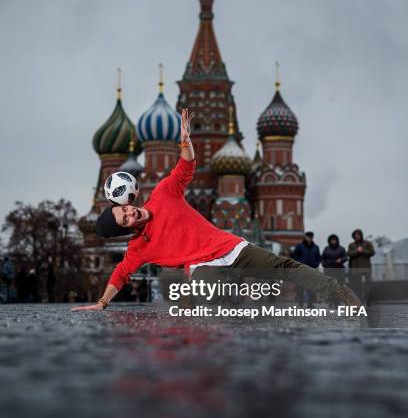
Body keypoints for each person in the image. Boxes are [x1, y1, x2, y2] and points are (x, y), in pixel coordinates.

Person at [72, 109, 360, 312]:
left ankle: (339, 292)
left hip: (229, 247)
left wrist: (185, 141)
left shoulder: (162, 194)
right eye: (124, 220)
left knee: (284, 267)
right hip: (202, 267)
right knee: (210, 300)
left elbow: (186, 168)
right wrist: (102, 302)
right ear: (125, 228)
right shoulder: (138, 247)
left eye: (126, 210)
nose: (130, 214)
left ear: (128, 202)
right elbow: (120, 274)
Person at [292, 232, 321, 307]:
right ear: (305, 237)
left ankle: (310, 303)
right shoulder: (300, 246)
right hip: (301, 269)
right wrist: (299, 263)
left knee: (311, 287)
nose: (310, 238)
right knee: (300, 287)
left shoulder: (315, 247)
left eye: (311, 237)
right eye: (308, 237)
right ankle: (301, 302)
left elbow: (318, 257)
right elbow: (294, 256)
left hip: (312, 269)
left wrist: (316, 264)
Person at [348, 229, 375, 304]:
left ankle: (368, 300)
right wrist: (357, 251)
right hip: (356, 268)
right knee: (357, 285)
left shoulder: (367, 243)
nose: (357, 236)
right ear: (353, 236)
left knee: (368, 284)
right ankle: (360, 300)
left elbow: (372, 252)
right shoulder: (351, 245)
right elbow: (349, 254)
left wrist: (363, 250)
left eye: (358, 234)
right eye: (355, 235)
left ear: (361, 235)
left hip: (366, 267)